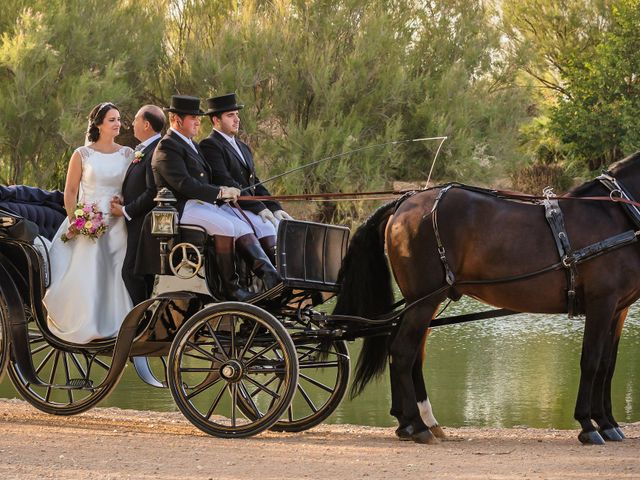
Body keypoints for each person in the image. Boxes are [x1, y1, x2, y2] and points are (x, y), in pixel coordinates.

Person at [150, 95, 280, 300]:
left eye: (198, 117)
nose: (197, 121)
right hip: (183, 207)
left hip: (203, 204)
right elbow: (184, 183)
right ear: (176, 119)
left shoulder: (190, 144)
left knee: (242, 227)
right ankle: (230, 288)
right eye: (193, 117)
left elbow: (206, 178)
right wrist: (219, 192)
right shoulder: (168, 146)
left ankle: (271, 278)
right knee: (226, 227)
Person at [43, 102, 133, 343]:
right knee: (89, 269)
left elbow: (131, 188)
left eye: (118, 119)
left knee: (115, 270)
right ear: (99, 124)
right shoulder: (82, 155)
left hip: (116, 221)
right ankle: (86, 323)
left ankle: (118, 325)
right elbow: (70, 191)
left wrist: (123, 206)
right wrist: (76, 220)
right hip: (88, 220)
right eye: (112, 120)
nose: (118, 124)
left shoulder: (128, 154)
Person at [200, 93, 292, 264]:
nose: (236, 119)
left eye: (237, 115)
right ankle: (275, 278)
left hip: (249, 205)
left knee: (283, 225)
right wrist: (258, 207)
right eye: (230, 115)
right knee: (266, 226)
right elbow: (225, 181)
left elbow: (255, 182)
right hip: (231, 205)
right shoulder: (210, 145)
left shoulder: (243, 147)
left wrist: (273, 206)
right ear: (216, 120)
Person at [110, 105, 165, 305]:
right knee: (141, 273)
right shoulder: (143, 150)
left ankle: (141, 321)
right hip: (136, 222)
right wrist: (124, 199)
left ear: (147, 124)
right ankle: (145, 320)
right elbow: (139, 185)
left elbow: (152, 191)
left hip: (143, 223)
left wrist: (125, 210)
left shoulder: (156, 150)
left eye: (136, 119)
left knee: (131, 272)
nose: (132, 123)